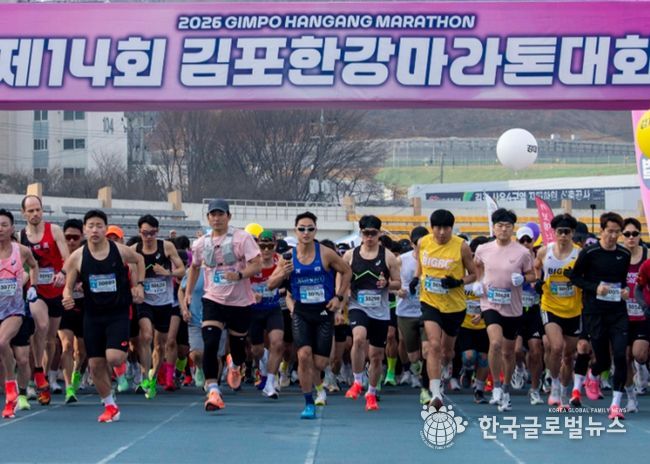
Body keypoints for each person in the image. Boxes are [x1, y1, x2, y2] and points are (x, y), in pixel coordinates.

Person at [62, 210, 145, 422]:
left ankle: (124, 366)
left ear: (105, 229)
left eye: (99, 226)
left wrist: (139, 285)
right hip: (92, 316)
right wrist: (67, 296)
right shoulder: (78, 256)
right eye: (91, 226)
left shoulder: (119, 250)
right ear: (84, 230)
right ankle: (110, 406)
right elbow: (68, 285)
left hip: (118, 313)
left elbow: (139, 259)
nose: (95, 230)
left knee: (114, 357)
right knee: (96, 365)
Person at [267, 211, 352, 419]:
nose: (306, 232)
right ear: (295, 231)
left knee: (320, 363)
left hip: (323, 311)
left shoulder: (326, 254)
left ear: (315, 230)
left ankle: (319, 387)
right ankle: (308, 402)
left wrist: (339, 297)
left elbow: (347, 271)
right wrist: (283, 273)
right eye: (302, 229)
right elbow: (270, 284)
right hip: (301, 311)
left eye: (310, 229)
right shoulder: (288, 257)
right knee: (303, 356)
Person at [185, 199, 262, 412]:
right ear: (208, 218)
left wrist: (240, 275)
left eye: (221, 214)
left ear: (229, 216)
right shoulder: (201, 243)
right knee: (210, 343)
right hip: (213, 299)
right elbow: (194, 267)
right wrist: (188, 293)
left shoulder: (242, 238)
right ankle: (213, 391)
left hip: (240, 301)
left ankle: (235, 364)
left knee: (238, 348)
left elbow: (257, 265)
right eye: (213, 215)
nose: (217, 218)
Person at [570, 212, 631, 420]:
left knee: (621, 355)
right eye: (610, 231)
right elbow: (575, 278)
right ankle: (592, 373)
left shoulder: (624, 254)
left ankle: (615, 405)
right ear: (601, 230)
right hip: (595, 312)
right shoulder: (589, 253)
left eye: (617, 232)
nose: (613, 236)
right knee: (603, 361)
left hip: (618, 312)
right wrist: (595, 288)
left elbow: (623, 282)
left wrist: (625, 291)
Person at [474, 208, 535, 412]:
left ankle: (506, 389)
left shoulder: (522, 252)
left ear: (512, 229)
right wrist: (478, 282)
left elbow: (532, 275)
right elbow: (477, 268)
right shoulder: (483, 249)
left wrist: (523, 279)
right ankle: (496, 387)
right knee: (495, 343)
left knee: (508, 353)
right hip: (490, 303)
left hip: (513, 307)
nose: (503, 230)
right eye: (500, 226)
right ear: (494, 228)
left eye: (508, 226)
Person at [414, 209, 477, 410]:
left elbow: (474, 274)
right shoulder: (423, 242)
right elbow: (420, 267)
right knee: (433, 345)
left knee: (446, 351)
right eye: (438, 228)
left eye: (446, 228)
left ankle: (446, 367)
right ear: (432, 228)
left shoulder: (461, 246)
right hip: (430, 301)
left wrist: (458, 282)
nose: (441, 232)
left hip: (454, 306)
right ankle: (435, 393)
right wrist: (415, 279)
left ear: (452, 228)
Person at [342, 215, 401, 411]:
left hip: (380, 311)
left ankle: (372, 392)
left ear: (379, 234)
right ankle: (357, 381)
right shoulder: (350, 255)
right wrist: (342, 293)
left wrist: (387, 284)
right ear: (360, 233)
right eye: (366, 233)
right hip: (358, 306)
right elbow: (340, 277)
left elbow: (398, 283)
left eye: (373, 234)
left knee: (376, 356)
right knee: (358, 339)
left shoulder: (388, 257)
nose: (369, 237)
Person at [20, 195, 69, 405]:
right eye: (30, 211)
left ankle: (45, 376)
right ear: (24, 213)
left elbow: (68, 258)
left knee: (50, 339)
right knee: (40, 326)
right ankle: (37, 374)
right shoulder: (21, 236)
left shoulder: (54, 230)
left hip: (56, 289)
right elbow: (20, 265)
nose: (35, 214)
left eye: (38, 210)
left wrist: (63, 273)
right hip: (36, 289)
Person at [132, 215, 186, 397]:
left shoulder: (167, 247)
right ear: (139, 232)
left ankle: (153, 377)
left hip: (164, 302)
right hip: (144, 301)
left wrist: (167, 272)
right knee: (146, 336)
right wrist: (135, 286)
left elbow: (182, 270)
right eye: (145, 233)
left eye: (152, 233)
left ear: (157, 231)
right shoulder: (134, 250)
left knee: (159, 345)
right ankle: (144, 376)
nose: (148, 237)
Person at [534, 214, 583, 409]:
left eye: (567, 232)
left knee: (569, 355)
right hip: (550, 306)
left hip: (573, 309)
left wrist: (576, 278)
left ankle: (563, 391)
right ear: (554, 233)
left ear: (572, 233)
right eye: (560, 232)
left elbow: (587, 277)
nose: (563, 235)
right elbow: (537, 267)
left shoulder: (580, 254)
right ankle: (554, 384)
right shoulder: (544, 251)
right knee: (556, 347)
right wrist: (538, 281)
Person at [0, 209, 39, 418]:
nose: (0, 229)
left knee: (22, 358)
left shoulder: (21, 250)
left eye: (4, 225)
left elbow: (34, 266)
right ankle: (10, 397)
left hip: (14, 311)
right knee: (4, 350)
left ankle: (19, 392)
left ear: (12, 228)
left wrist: (34, 286)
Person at [249, 230, 285, 399]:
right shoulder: (251, 261)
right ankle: (264, 361)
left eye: (270, 246)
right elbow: (240, 282)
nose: (266, 250)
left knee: (277, 344)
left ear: (275, 246)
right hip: (253, 310)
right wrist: (251, 294)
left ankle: (270, 383)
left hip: (273, 309)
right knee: (256, 350)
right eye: (262, 246)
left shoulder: (280, 261)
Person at [59, 219, 87, 404]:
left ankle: (77, 373)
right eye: (67, 237)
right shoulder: (59, 257)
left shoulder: (87, 256)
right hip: (65, 306)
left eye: (75, 237)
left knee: (82, 351)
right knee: (67, 345)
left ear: (81, 237)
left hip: (84, 306)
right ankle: (69, 388)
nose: (71, 241)